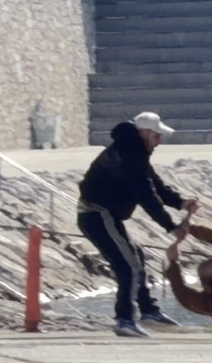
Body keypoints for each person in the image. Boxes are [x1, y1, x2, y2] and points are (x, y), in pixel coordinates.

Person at [77, 112, 199, 338]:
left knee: (137, 257)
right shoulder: (129, 156)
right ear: (144, 132)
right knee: (129, 264)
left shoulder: (134, 151)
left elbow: (155, 185)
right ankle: (125, 319)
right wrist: (171, 227)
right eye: (157, 136)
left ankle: (148, 311)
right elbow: (147, 196)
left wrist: (180, 202)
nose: (159, 142)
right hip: (97, 215)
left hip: (106, 215)